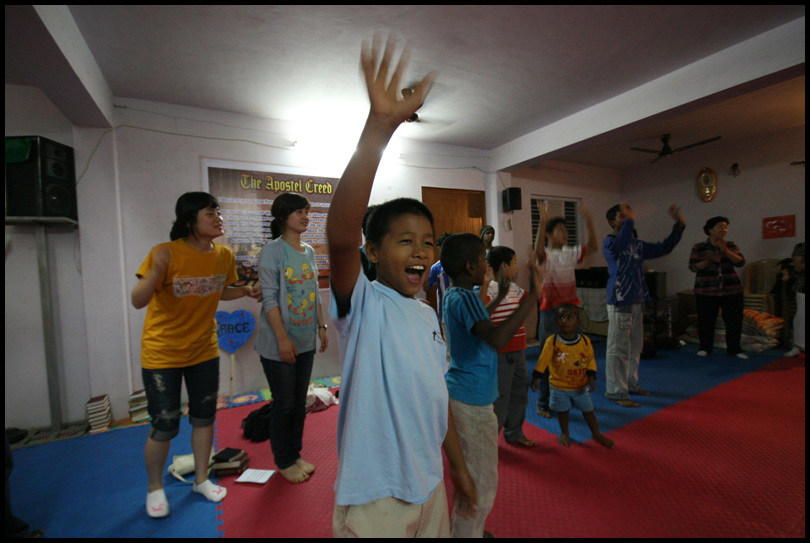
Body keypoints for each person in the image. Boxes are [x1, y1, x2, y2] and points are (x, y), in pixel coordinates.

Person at [326, 34, 476, 538]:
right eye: (404, 240)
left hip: (429, 484)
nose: (420, 251)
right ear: (373, 251)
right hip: (376, 497)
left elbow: (437, 398)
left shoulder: (428, 313)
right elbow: (340, 238)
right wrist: (379, 129)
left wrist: (456, 467)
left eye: (428, 241)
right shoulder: (365, 305)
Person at [131, 191, 262, 518]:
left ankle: (201, 480)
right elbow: (138, 299)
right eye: (209, 212)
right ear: (190, 219)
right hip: (163, 353)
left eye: (218, 210)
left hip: (203, 350)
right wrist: (155, 271)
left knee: (204, 418)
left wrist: (244, 290)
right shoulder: (164, 253)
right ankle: (155, 488)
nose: (218, 216)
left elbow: (219, 291)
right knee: (165, 424)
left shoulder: (223, 255)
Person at [441, 233, 540, 537]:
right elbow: (496, 338)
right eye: (483, 259)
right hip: (473, 403)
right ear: (471, 266)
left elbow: (480, 322)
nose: (487, 265)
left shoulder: (455, 296)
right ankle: (467, 533)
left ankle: (468, 529)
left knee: (474, 476)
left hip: (463, 396)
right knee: (482, 483)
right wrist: (532, 297)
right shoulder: (467, 297)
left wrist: (498, 296)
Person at [255, 192, 329, 484]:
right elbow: (269, 298)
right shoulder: (272, 250)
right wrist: (283, 339)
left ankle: (295, 454)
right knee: (284, 403)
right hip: (278, 344)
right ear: (283, 217)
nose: (305, 216)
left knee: (300, 403)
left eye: (307, 211)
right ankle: (283, 461)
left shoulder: (309, 251)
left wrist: (321, 327)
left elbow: (314, 292)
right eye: (299, 212)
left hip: (305, 340)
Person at [603, 202, 685, 408]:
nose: (626, 218)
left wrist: (679, 225)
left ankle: (630, 384)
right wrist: (629, 220)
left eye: (628, 216)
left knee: (635, 346)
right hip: (620, 300)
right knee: (618, 348)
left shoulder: (637, 245)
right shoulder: (610, 243)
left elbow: (664, 247)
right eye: (621, 216)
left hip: (637, 299)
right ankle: (615, 391)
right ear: (612, 221)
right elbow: (621, 243)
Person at [534, 203, 598, 418]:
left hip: (570, 311)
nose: (566, 234)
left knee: (572, 358)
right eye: (561, 230)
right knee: (547, 357)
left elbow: (593, 247)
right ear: (550, 235)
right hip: (551, 312)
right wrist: (543, 222)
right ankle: (543, 403)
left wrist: (589, 222)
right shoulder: (548, 255)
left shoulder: (571, 253)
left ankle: (569, 399)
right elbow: (538, 252)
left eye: (567, 231)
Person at [531, 304, 614, 448]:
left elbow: (590, 361)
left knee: (588, 411)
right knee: (563, 412)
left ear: (578, 322)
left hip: (580, 387)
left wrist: (591, 378)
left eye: (570, 318)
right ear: (556, 321)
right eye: (561, 317)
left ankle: (596, 433)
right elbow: (543, 360)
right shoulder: (553, 341)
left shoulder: (585, 341)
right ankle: (565, 433)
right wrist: (536, 377)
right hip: (559, 386)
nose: (565, 321)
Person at [485, 246, 540, 447]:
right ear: (504, 266)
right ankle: (490, 440)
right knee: (500, 397)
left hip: (518, 351)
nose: (517, 268)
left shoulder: (514, 288)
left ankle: (514, 431)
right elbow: (482, 315)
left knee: (519, 391)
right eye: (514, 263)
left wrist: (535, 270)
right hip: (500, 353)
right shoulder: (490, 288)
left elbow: (533, 297)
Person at [688, 216, 748, 359]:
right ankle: (705, 348)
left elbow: (740, 262)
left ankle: (734, 349)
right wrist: (708, 260)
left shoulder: (731, 245)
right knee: (706, 320)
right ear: (710, 230)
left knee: (734, 321)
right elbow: (693, 267)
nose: (724, 229)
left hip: (731, 289)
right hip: (706, 289)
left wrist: (726, 251)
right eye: (720, 226)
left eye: (725, 227)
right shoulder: (699, 247)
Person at [426, 232, 453, 341]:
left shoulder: (461, 263)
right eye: (443, 247)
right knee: (447, 341)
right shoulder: (436, 267)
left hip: (460, 308)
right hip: (444, 310)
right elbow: (427, 287)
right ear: (439, 248)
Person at [785, 242, 805, 358]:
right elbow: (797, 266)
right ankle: (797, 346)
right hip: (802, 289)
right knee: (800, 319)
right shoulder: (800, 248)